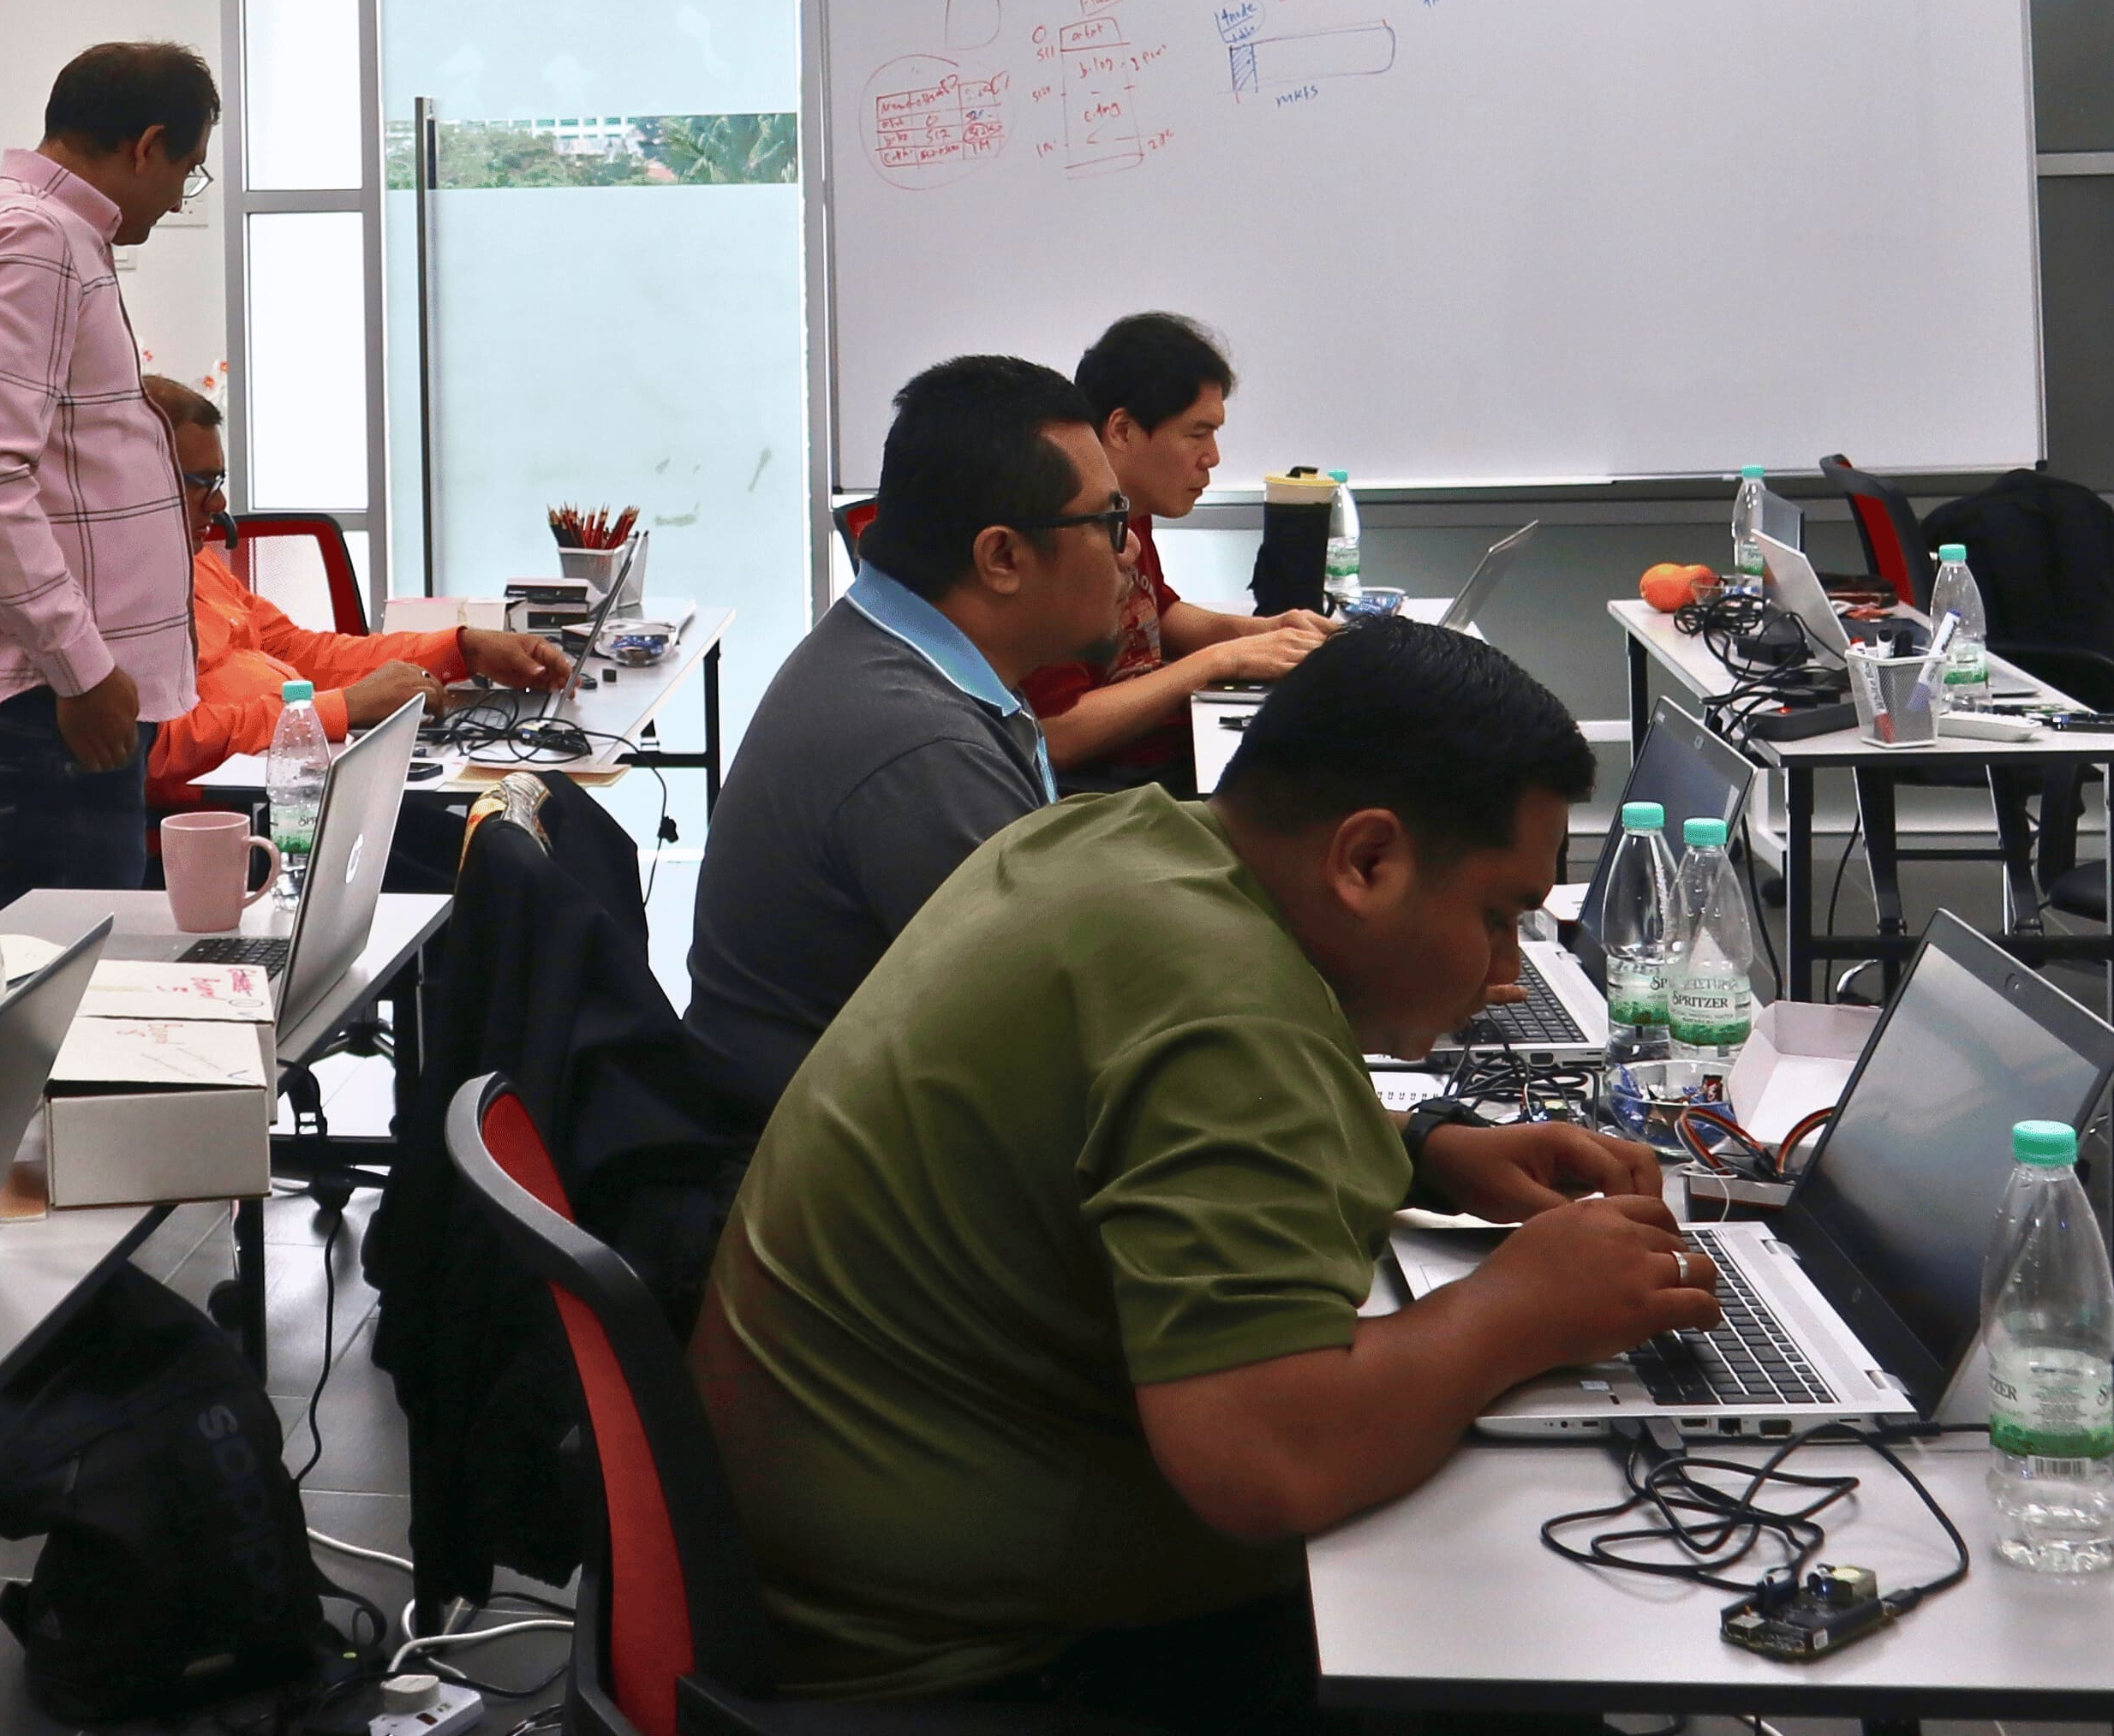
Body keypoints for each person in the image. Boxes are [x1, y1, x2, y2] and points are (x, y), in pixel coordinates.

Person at [692, 617, 1710, 1729]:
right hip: (958, 1669)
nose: (1507, 973)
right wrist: (1523, 1307)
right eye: (1497, 916)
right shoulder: (1225, 1007)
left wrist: (1424, 1151)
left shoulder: (1119, 841)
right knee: (1521, 1644)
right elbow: (1268, 1460)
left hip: (834, 1565)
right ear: (1367, 861)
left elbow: (1126, 1117)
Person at [686, 354, 1128, 1109]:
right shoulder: (924, 751)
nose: (1129, 553)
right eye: (1109, 523)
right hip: (817, 1166)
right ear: (1002, 556)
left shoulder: (891, 650)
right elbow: (1065, 1046)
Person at [0, 41, 213, 897]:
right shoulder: (33, 240)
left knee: (82, 962)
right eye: (188, 169)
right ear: (147, 145)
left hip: (60, 700)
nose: (180, 197)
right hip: (47, 707)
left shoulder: (55, 234)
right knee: (63, 972)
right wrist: (81, 666)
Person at [136, 378, 572, 802]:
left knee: (541, 803)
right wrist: (340, 708)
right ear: (140, 479)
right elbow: (161, 752)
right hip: (235, 818)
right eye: (202, 483)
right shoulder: (116, 607)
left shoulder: (193, 562)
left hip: (298, 779)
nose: (219, 505)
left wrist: (461, 651)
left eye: (219, 482)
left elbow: (299, 653)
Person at [1013, 312, 1327, 785]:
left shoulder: (1130, 509)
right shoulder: (1066, 534)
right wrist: (1221, 661)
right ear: (1122, 430)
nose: (1213, 457)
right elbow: (1057, 734)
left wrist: (1265, 632)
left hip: (1164, 752)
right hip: (1120, 785)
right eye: (1197, 434)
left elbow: (1156, 611)